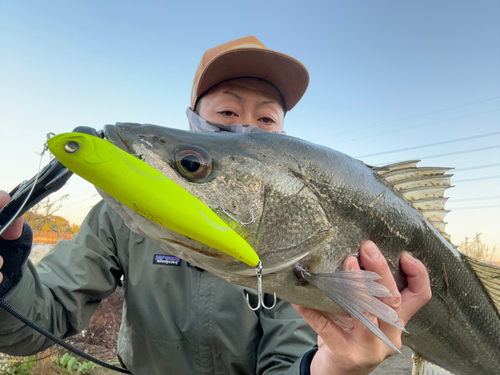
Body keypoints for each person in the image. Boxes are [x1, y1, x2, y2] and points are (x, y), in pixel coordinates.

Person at [0, 36, 431, 374]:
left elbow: (288, 361)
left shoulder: (293, 232)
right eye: (226, 112)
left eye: (265, 119)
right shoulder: (120, 216)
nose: (245, 126)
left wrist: (331, 369)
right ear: (194, 121)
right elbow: (40, 320)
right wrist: (7, 281)